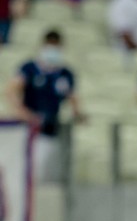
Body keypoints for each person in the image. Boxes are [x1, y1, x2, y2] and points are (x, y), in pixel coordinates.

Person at [6, 29, 84, 183]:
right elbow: (11, 91)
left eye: (56, 46)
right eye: (50, 45)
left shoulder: (65, 73)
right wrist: (23, 112)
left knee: (42, 172)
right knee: (21, 171)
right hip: (27, 127)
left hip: (49, 129)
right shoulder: (29, 68)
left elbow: (72, 97)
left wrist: (78, 114)